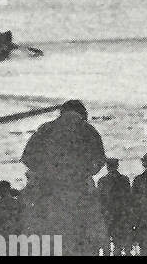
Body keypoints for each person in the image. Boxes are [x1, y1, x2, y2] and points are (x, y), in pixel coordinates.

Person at [19, 98, 106, 255]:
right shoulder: (89, 130)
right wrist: (83, 172)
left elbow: (27, 158)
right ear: (82, 113)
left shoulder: (46, 129)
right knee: (82, 239)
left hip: (49, 192)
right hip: (79, 192)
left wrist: (46, 172)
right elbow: (99, 161)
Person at [97, 158, 132, 255]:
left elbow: (99, 200)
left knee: (106, 246)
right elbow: (128, 199)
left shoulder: (102, 181)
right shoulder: (124, 180)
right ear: (117, 166)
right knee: (118, 245)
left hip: (107, 215)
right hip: (120, 215)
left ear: (107, 167)